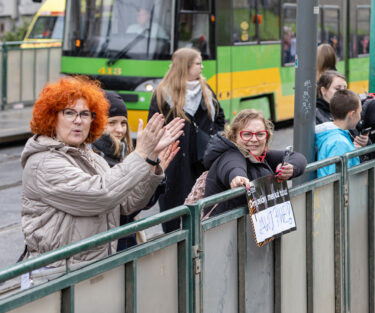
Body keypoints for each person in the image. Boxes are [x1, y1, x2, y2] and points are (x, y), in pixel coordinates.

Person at [21, 76, 184, 266]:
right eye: (69, 113)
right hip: (58, 275)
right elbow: (101, 194)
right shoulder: (44, 162)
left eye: (85, 114)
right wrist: (140, 154)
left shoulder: (93, 157)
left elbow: (126, 204)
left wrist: (151, 161)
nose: (78, 121)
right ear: (51, 117)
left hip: (95, 267)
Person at [148, 47, 225, 232]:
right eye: (198, 63)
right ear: (185, 66)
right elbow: (154, 127)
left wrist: (212, 138)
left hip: (202, 161)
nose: (202, 67)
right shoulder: (162, 94)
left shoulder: (206, 90)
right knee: (174, 213)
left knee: (203, 211)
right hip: (173, 163)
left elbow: (220, 118)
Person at [92, 91, 180, 251]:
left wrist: (153, 170)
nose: (119, 129)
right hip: (107, 249)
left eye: (123, 123)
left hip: (126, 243)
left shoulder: (126, 153)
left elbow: (141, 204)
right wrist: (146, 161)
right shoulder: (94, 158)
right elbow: (123, 208)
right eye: (111, 123)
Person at [203, 109, 307, 217]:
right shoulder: (231, 154)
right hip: (225, 230)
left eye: (260, 134)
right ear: (234, 137)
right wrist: (237, 177)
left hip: (252, 229)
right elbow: (232, 165)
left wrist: (291, 168)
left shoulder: (261, 156)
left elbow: (298, 157)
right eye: (247, 134)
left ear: (266, 137)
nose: (254, 139)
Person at [316, 70, 369, 149]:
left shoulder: (350, 108)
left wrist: (365, 142)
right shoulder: (315, 115)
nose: (342, 93)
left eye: (345, 89)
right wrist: (349, 148)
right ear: (324, 91)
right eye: (337, 89)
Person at [315, 90, 362, 177]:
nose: (360, 117)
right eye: (359, 112)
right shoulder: (339, 143)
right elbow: (338, 180)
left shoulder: (335, 136)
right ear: (352, 114)